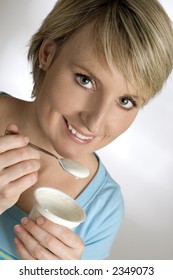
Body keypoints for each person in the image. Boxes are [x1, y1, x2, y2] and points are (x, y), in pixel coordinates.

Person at [0, 0, 173, 260]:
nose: (94, 122)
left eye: (126, 101)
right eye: (86, 80)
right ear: (47, 53)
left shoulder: (103, 209)